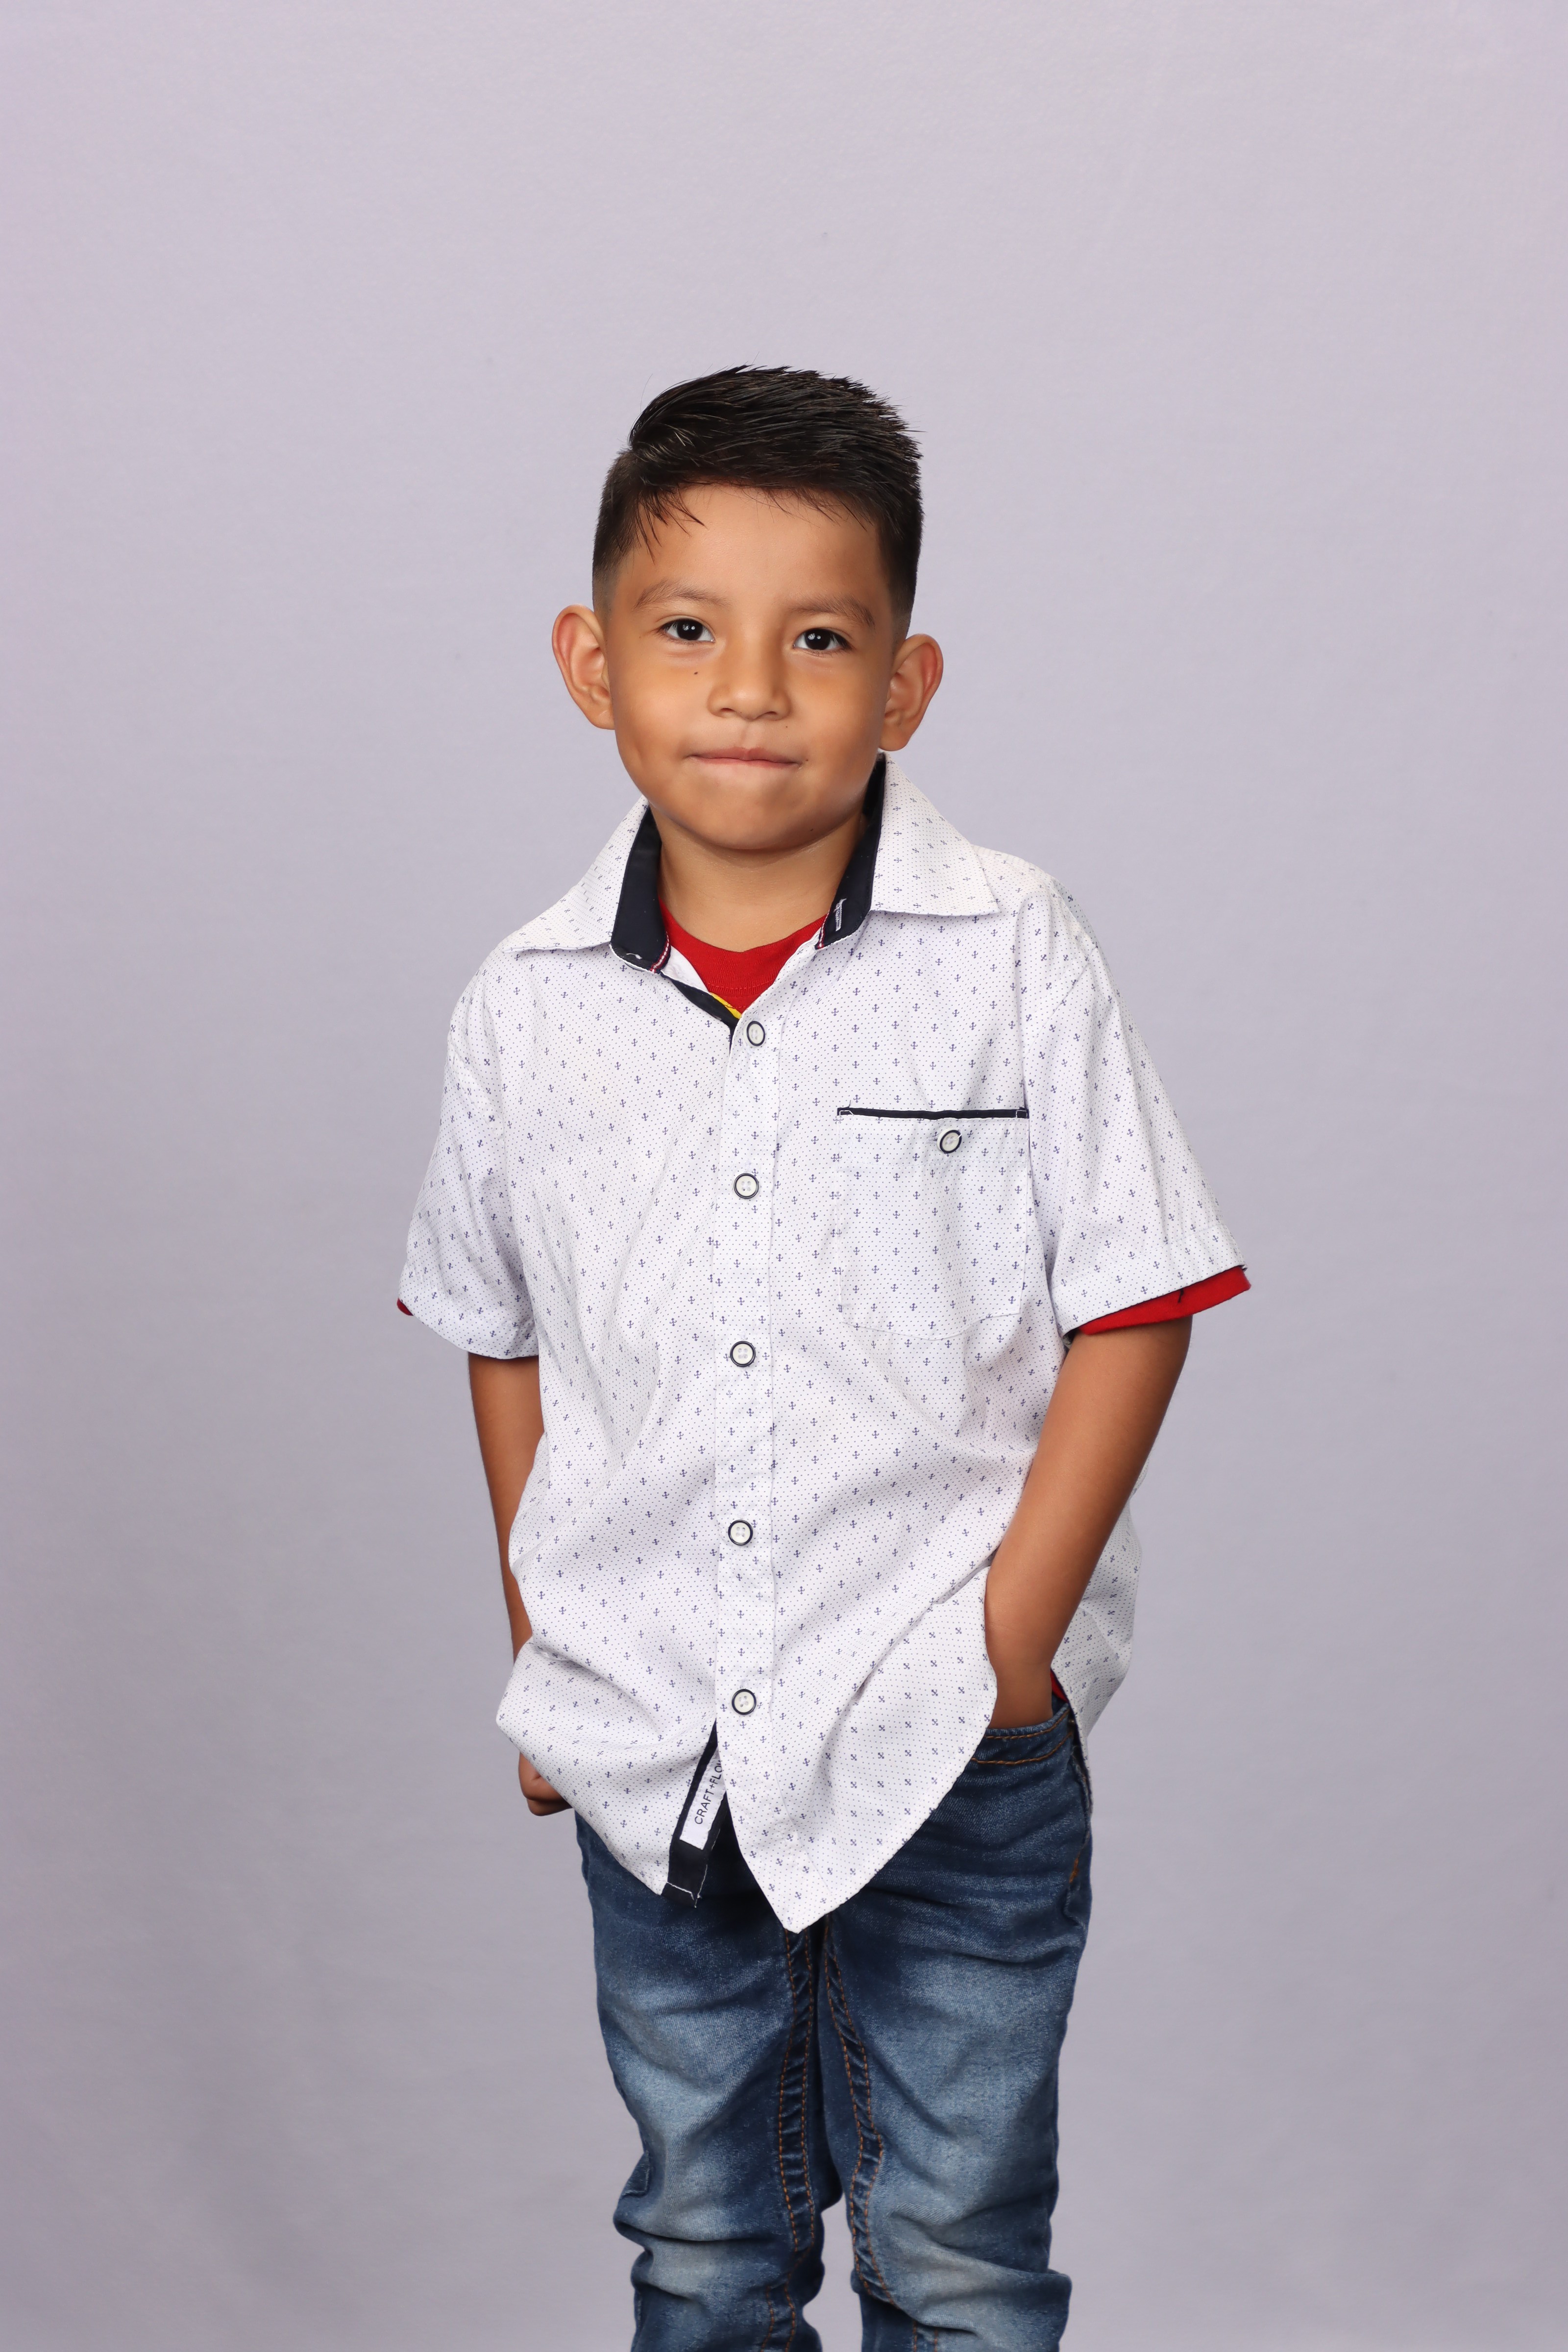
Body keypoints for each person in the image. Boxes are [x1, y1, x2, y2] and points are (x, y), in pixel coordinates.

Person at [398, 365, 1247, 2350]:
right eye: (689, 630)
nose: (751, 690)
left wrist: (1009, 1647)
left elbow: (1135, 1297)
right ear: (591, 663)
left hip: (946, 1727)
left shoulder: (1009, 947)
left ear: (906, 684)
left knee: (957, 2255)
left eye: (820, 640)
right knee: (703, 2251)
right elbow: (500, 1333)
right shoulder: (525, 1006)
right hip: (654, 1738)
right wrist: (544, 1641)